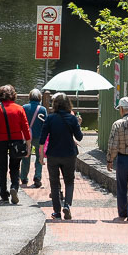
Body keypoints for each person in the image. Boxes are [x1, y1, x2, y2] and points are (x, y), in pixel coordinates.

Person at [40, 92, 83, 220]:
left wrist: (41, 155)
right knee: (69, 181)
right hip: (69, 154)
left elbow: (42, 139)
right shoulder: (72, 118)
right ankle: (67, 206)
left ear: (55, 105)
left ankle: (57, 212)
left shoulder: (50, 118)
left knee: (54, 182)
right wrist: (78, 123)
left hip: (53, 154)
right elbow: (79, 137)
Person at [0, 84, 31, 204]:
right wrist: (28, 143)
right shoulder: (19, 109)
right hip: (16, 140)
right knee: (15, 167)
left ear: (0, 96)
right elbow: (25, 127)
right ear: (13, 95)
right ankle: (14, 187)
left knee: (2, 168)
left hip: (0, 140)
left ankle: (4, 195)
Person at [20, 88, 48, 188]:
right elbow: (46, 124)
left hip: (26, 136)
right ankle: (37, 177)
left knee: (25, 156)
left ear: (30, 97)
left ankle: (23, 178)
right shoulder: (42, 109)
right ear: (39, 97)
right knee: (39, 157)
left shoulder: (24, 107)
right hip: (39, 137)